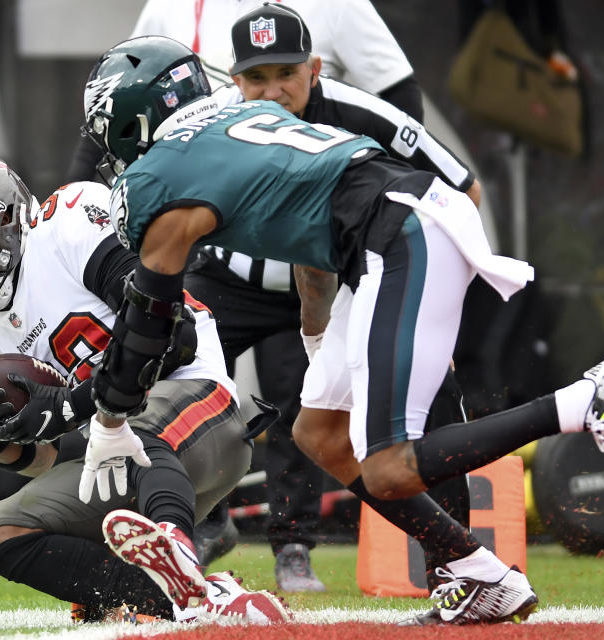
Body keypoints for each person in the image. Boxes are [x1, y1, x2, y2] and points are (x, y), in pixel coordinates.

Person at [74, 36, 604, 625]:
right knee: (321, 433)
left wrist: (111, 415)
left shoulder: (161, 174)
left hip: (401, 233)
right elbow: (305, 230)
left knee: (388, 464)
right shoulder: (249, 115)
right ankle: (477, 571)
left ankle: (583, 400)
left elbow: (151, 315)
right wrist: (315, 342)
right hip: (385, 234)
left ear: (129, 121)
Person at [68, 0, 476, 593]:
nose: (273, 92)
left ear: (315, 70)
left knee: (371, 430)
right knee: (298, 422)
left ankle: (569, 411)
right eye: (256, 78)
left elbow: (437, 169)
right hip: (266, 269)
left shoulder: (352, 104)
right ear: (231, 82)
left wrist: (431, 300)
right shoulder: (213, 111)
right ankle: (194, 520)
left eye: (286, 74)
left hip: (369, 257)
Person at [0, 152, 290, 624]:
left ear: (3, 219)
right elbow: (51, 457)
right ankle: (195, 600)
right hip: (120, 452)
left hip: (201, 410)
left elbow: (172, 333)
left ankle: (179, 549)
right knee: (3, 532)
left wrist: (69, 405)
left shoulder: (68, 222)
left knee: (135, 427)